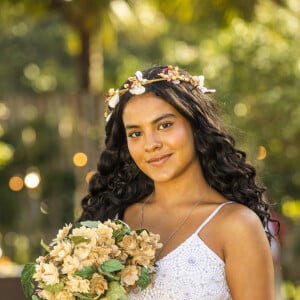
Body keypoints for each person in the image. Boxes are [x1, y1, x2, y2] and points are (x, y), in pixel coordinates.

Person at [79, 65, 277, 299]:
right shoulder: (113, 220)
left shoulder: (236, 226)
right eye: (135, 133)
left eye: (164, 125)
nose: (150, 144)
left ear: (196, 126)